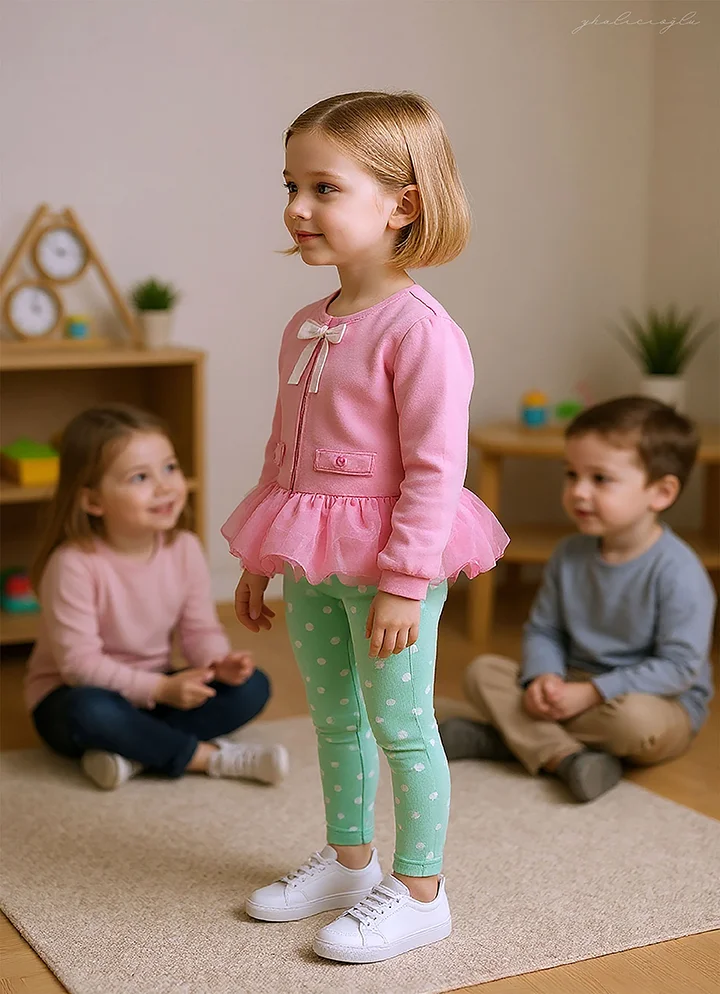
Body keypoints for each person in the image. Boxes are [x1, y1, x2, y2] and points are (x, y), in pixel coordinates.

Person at [221, 90, 509, 963]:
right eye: (291, 186)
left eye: (324, 188)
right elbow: (285, 453)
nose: (297, 208)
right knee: (334, 718)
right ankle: (350, 863)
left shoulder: (420, 332)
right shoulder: (307, 324)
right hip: (312, 557)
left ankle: (421, 891)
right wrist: (259, 559)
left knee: (403, 726)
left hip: (391, 564)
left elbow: (435, 470)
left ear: (402, 204)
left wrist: (405, 582)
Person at [440, 396, 716, 803]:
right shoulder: (569, 554)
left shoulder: (679, 571)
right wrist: (543, 676)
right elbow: (545, 629)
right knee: (482, 673)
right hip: (571, 682)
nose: (579, 491)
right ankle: (567, 758)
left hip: (653, 700)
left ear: (661, 492)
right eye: (572, 475)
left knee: (634, 725)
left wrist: (592, 693)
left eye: (600, 479)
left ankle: (508, 738)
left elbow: (679, 667)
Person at [26, 404, 289, 791]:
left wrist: (216, 663)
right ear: (93, 501)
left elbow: (198, 630)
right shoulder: (73, 564)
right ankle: (207, 758)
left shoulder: (184, 548)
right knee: (92, 711)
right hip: (74, 694)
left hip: (153, 686)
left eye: (169, 468)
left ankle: (134, 752)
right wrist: (161, 690)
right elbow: (79, 666)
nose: (165, 486)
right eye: (140, 477)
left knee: (253, 688)